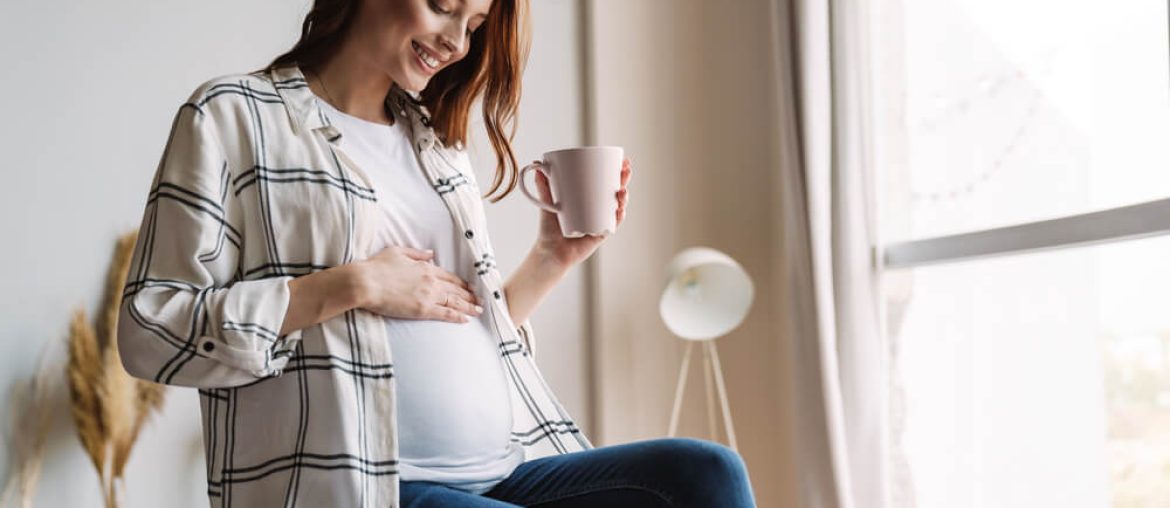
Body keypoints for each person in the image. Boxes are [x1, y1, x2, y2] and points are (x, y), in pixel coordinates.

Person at [117, 0, 756, 506]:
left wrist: (553, 258)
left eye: (475, 23)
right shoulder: (233, 116)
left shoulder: (435, 147)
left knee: (703, 474)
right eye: (443, 6)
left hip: (506, 469)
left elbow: (466, 324)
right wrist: (353, 286)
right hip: (371, 487)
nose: (457, 41)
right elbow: (151, 330)